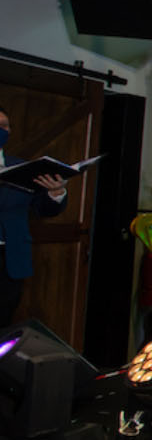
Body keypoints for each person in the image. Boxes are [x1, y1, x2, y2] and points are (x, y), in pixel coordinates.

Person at [0, 105, 71, 325]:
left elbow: (43, 209)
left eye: (4, 125)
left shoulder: (23, 168)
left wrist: (56, 192)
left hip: (9, 261)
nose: (1, 129)